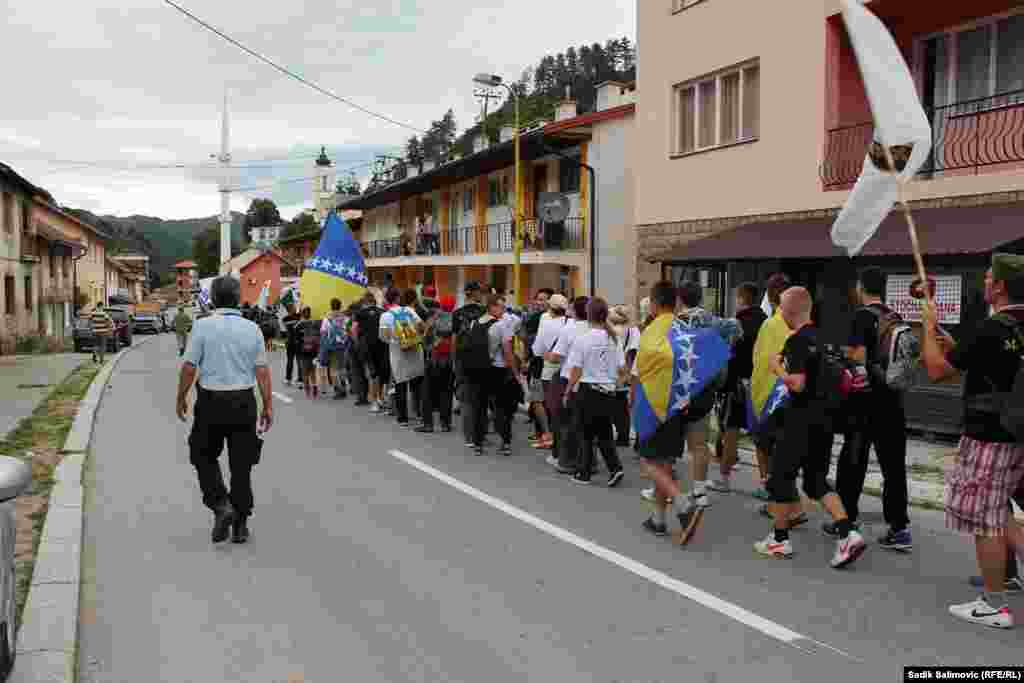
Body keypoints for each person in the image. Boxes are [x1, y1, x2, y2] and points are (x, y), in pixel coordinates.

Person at [921, 254, 1024, 629]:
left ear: (998, 286)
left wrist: (926, 327)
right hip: (1019, 431)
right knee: (1003, 515)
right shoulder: (1012, 327)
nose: (983, 283)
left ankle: (994, 605)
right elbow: (979, 361)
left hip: (990, 435)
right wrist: (952, 343)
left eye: (987, 277)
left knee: (988, 521)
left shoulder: (992, 328)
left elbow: (936, 371)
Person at [755, 287, 866, 568]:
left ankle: (779, 539)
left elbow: (798, 383)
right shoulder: (826, 338)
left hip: (799, 419)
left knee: (781, 477)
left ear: (790, 310)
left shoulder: (797, 340)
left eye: (781, 307)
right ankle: (847, 532)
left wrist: (776, 369)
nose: (780, 312)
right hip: (825, 419)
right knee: (816, 482)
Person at [176, 275, 271, 545]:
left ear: (214, 300)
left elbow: (189, 367)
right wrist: (268, 405)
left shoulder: (202, 326)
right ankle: (240, 525)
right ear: (238, 298)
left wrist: (180, 397)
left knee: (201, 454)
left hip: (211, 402)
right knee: (242, 466)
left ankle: (221, 505)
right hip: (244, 402)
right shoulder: (252, 328)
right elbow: (262, 371)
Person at [832, 267, 912, 548]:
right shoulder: (895, 317)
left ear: (860, 287)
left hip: (865, 400)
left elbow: (858, 359)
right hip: (893, 399)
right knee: (893, 465)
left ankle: (846, 518)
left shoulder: (861, 316)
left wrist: (844, 358)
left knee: (853, 459)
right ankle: (899, 527)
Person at [634, 282, 704, 543]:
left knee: (647, 462)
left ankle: (683, 502)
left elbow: (640, 374)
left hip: (654, 406)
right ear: (675, 303)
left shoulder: (651, 332)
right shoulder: (685, 330)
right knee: (663, 463)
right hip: (681, 405)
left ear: (653, 303)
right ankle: (658, 519)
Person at [675, 281, 742, 509]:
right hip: (705, 387)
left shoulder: (676, 322)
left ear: (680, 298)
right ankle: (700, 490)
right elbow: (735, 330)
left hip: (679, 388)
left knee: (669, 442)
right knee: (700, 444)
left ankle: (663, 489)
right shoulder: (715, 321)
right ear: (700, 297)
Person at [564, 297, 626, 487]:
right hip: (607, 391)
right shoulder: (614, 338)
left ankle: (584, 473)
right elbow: (622, 369)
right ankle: (615, 468)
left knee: (585, 433)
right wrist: (616, 383)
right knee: (604, 432)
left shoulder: (583, 339)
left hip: (588, 390)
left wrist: (567, 391)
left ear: (589, 315)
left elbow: (576, 369)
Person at [710, 283, 766, 493]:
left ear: (742, 298)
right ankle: (764, 482)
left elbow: (725, 352)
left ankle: (724, 479)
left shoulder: (736, 323)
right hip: (758, 382)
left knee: (731, 431)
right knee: (759, 435)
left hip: (735, 383)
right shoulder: (766, 321)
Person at [749, 273, 794, 500]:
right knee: (784, 447)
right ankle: (786, 492)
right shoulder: (798, 322)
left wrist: (755, 393)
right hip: (793, 391)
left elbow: (760, 362)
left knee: (764, 443)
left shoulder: (770, 324)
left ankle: (770, 487)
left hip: (770, 393)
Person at [464, 294, 517, 456]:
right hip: (497, 370)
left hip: (477, 371)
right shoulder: (501, 326)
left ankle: (478, 443)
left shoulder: (475, 323)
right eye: (501, 306)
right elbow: (508, 352)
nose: (503, 310)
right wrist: (514, 372)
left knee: (479, 407)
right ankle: (505, 442)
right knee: (501, 408)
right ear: (492, 307)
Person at [547, 296, 591, 473]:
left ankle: (566, 461)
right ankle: (589, 461)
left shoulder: (570, 328)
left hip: (569, 378)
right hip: (591, 381)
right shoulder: (599, 329)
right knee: (586, 424)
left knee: (566, 422)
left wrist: (547, 355)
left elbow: (557, 356)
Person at [379, 288, 425, 427]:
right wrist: (416, 337)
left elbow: (383, 336)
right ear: (398, 298)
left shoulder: (385, 316)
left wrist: (394, 342)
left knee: (400, 384)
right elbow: (422, 326)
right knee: (416, 383)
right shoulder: (410, 311)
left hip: (397, 353)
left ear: (387, 300)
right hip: (415, 350)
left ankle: (403, 418)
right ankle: (419, 413)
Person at [453, 282, 487, 447]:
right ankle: (480, 434)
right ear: (473, 293)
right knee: (482, 399)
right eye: (480, 291)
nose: (482, 294)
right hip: (483, 360)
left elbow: (454, 340)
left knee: (466, 399)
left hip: (463, 360)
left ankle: (468, 437)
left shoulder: (457, 313)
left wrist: (455, 361)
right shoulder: (484, 312)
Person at [536, 294, 570, 459]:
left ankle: (557, 450)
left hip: (549, 371)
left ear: (551, 308)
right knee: (566, 412)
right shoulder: (571, 324)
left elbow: (537, 349)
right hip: (567, 371)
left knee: (553, 412)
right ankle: (566, 448)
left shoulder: (546, 323)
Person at [417, 295, 456, 433]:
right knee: (447, 393)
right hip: (450, 362)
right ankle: (445, 423)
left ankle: (428, 424)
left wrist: (429, 347)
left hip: (434, 360)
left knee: (427, 392)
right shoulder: (455, 320)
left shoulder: (433, 320)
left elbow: (425, 340)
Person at [524, 289, 555, 448]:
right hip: (546, 365)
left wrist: (528, 356)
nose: (540, 302)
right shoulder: (565, 320)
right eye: (539, 299)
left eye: (544, 300)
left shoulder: (542, 319)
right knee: (542, 401)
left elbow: (532, 343)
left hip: (542, 364)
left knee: (539, 400)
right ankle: (543, 433)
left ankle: (546, 434)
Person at [609, 305, 640, 447]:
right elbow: (632, 354)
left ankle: (614, 435)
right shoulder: (633, 331)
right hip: (625, 371)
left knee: (611, 405)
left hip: (611, 372)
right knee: (622, 407)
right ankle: (623, 436)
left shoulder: (611, 330)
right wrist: (628, 374)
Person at [355, 292, 389, 413]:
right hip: (382, 345)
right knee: (381, 373)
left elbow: (354, 329)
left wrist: (357, 343)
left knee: (372, 375)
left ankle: (374, 401)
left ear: (365, 302)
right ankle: (379, 397)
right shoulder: (383, 312)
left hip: (368, 347)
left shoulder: (360, 314)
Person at [320, 298, 349, 400]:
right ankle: (344, 386)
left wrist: (323, 347)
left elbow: (323, 333)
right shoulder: (344, 317)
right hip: (342, 345)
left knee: (333, 368)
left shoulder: (327, 318)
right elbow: (347, 330)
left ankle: (337, 389)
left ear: (331, 305)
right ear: (340, 306)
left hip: (331, 346)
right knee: (342, 367)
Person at [296, 307, 320, 399]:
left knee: (305, 373)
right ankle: (314, 387)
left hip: (303, 352)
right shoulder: (314, 323)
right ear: (310, 313)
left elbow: (296, 339)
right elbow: (318, 336)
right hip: (313, 351)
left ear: (302, 314)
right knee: (313, 372)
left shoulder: (299, 325)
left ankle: (307, 391)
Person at [282, 305, 301, 387]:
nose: (294, 309)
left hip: (290, 342)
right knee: (297, 361)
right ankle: (300, 379)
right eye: (293, 308)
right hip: (296, 342)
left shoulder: (285, 319)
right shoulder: (298, 317)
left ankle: (288, 379)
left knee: (291, 361)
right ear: (290, 310)